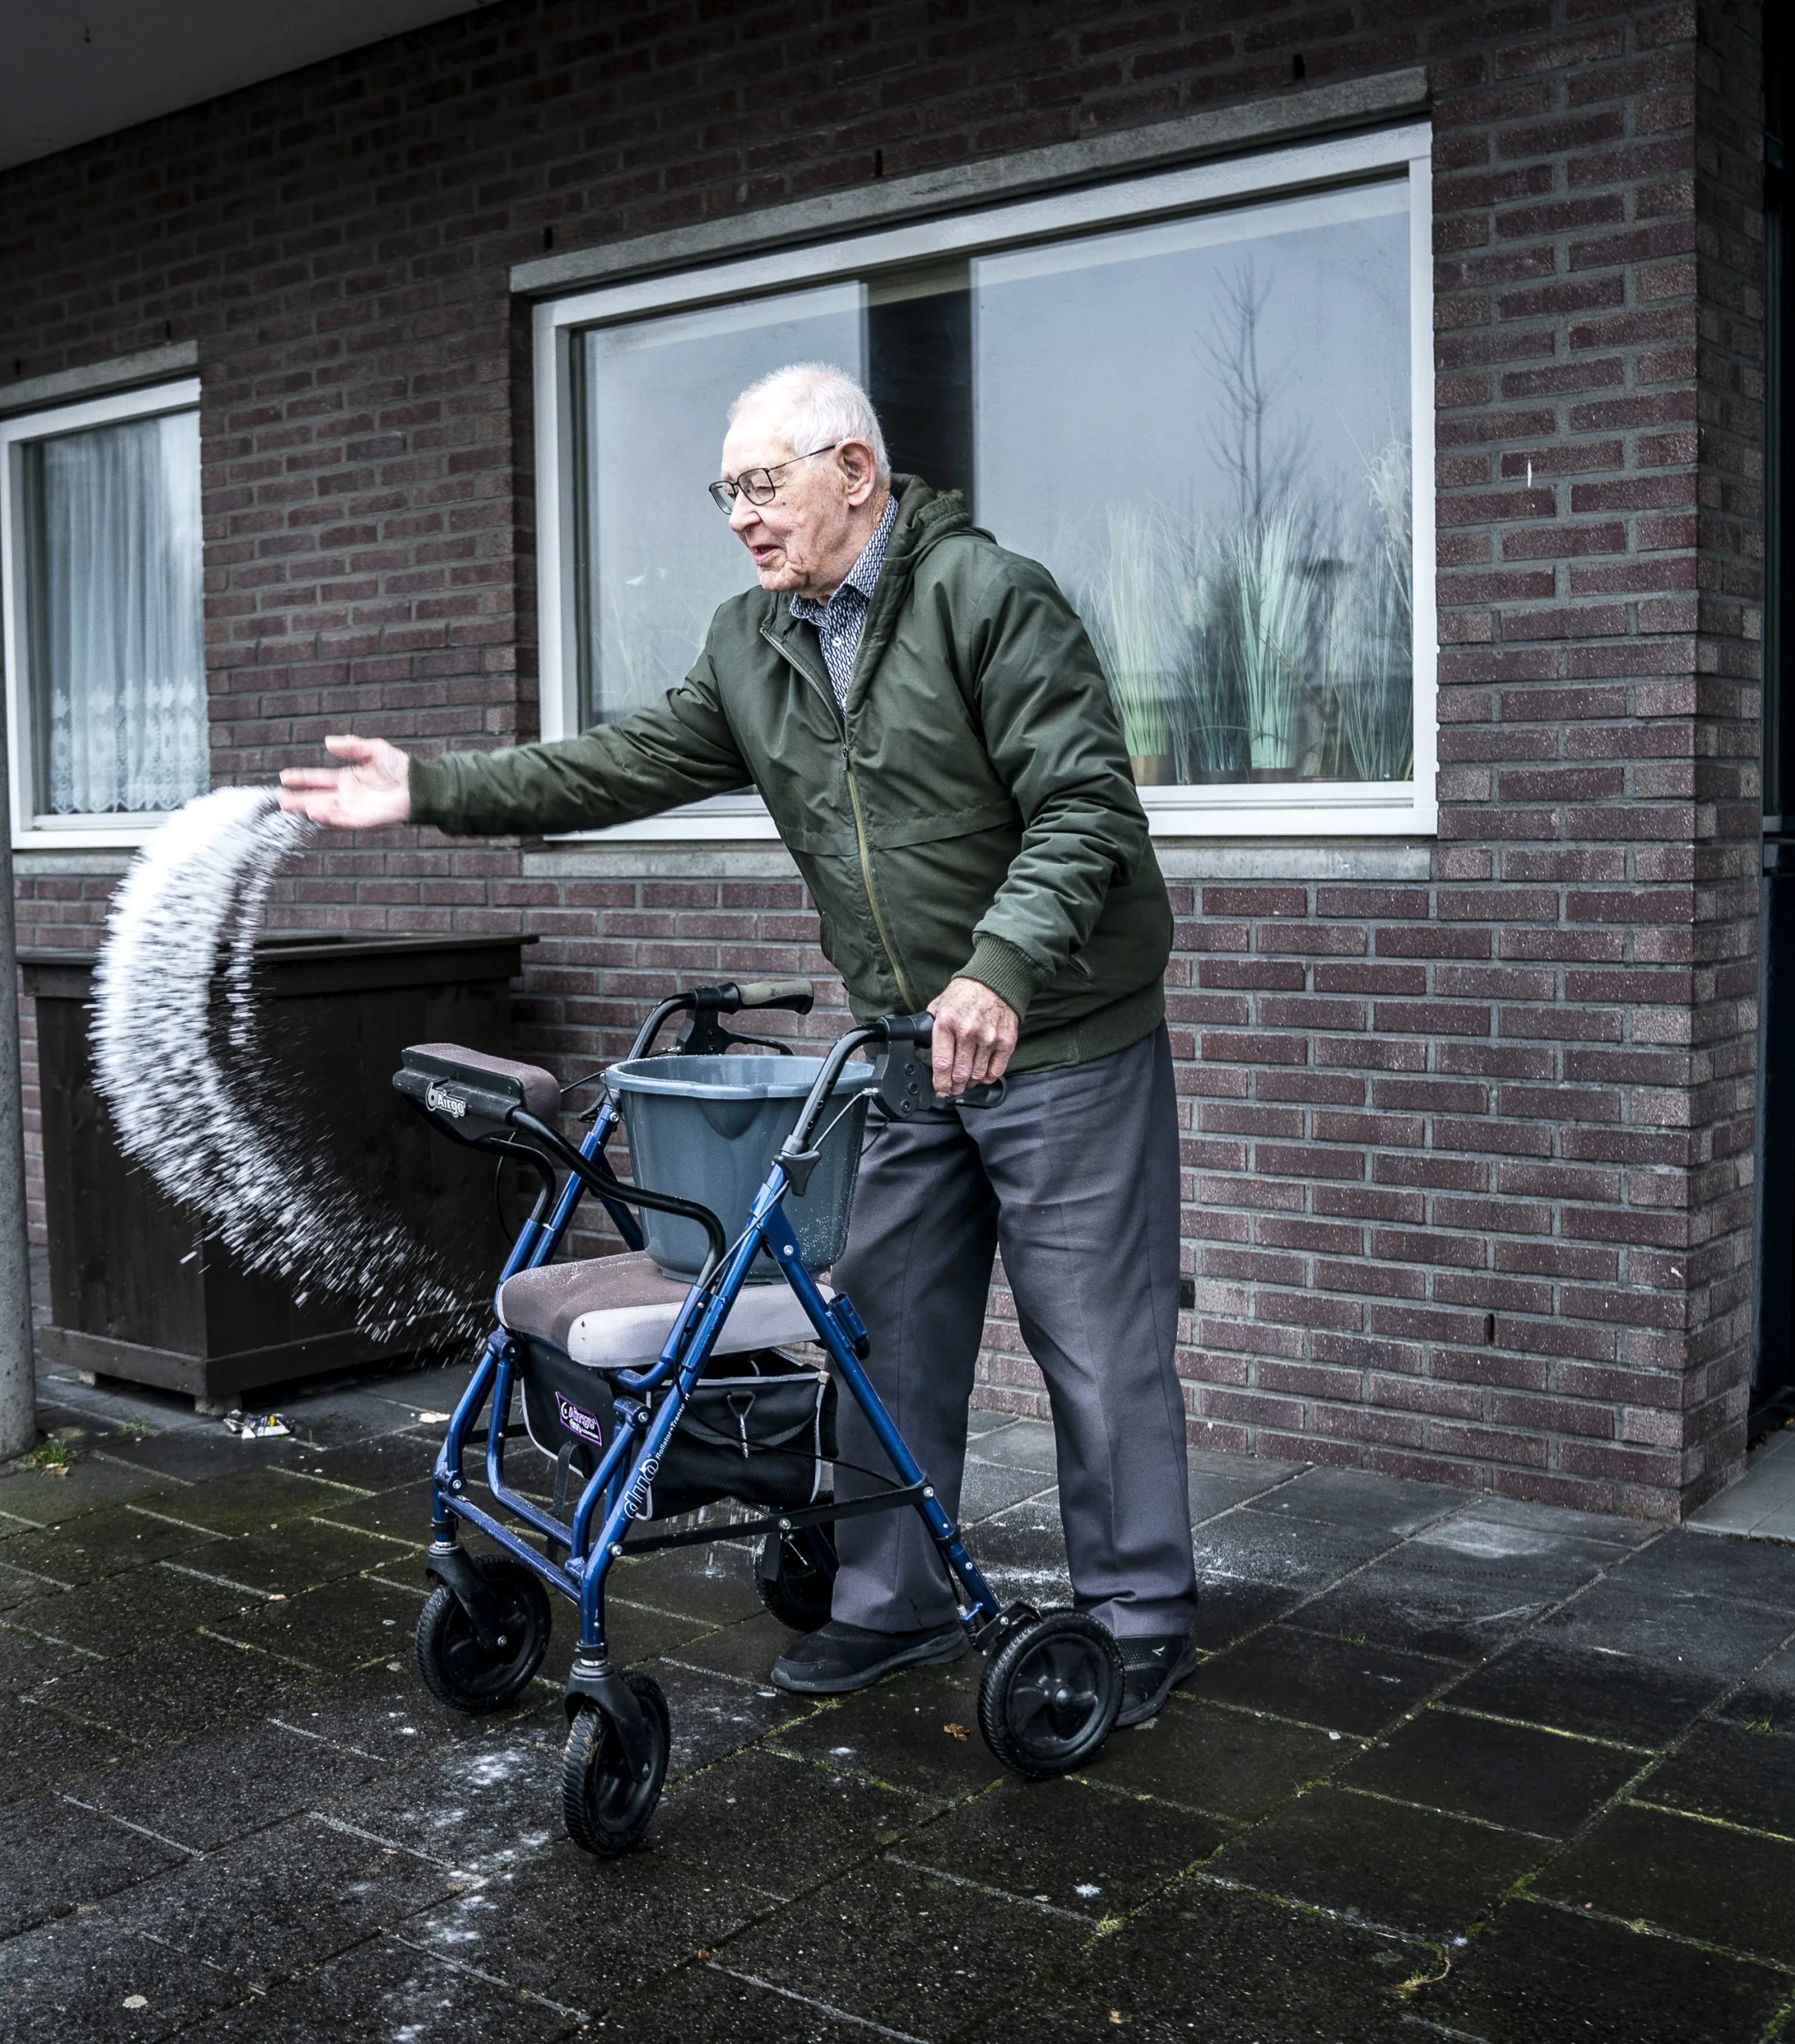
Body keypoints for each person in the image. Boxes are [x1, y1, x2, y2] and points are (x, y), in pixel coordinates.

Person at [277, 363, 1199, 1723]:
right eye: (730, 493)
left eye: (763, 487)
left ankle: (1136, 1618)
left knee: (1097, 1345)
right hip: (903, 1044)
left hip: (1060, 1040)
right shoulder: (753, 643)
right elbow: (616, 765)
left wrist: (1000, 968)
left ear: (855, 474)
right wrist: (432, 791)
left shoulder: (988, 602)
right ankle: (894, 1603)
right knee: (885, 1338)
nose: (742, 518)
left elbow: (1084, 808)